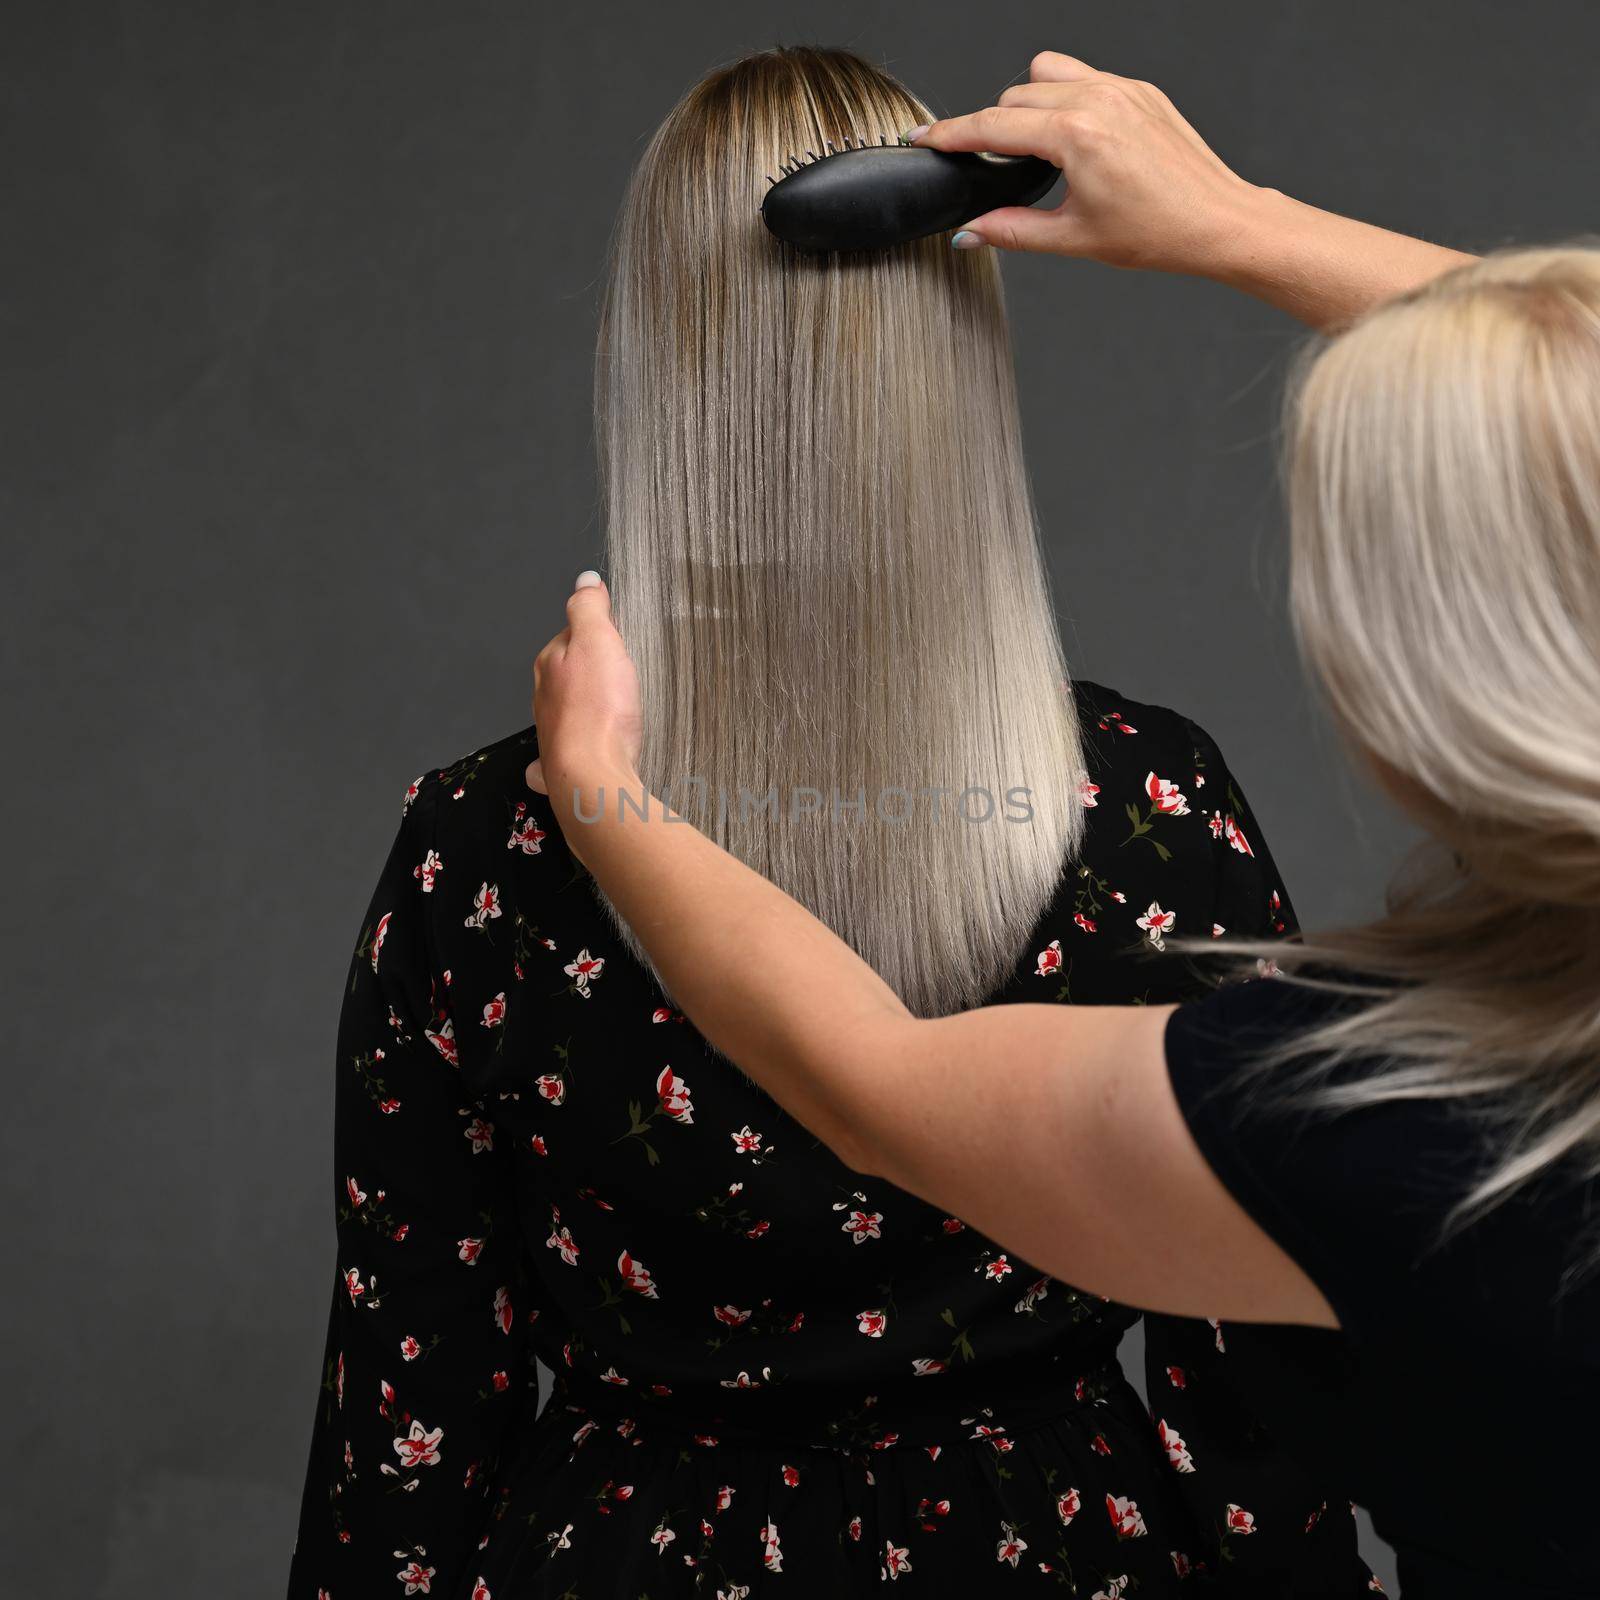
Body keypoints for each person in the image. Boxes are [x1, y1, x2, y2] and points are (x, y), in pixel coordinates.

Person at [285, 47, 1449, 1600]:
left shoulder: (484, 853)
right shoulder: (1147, 809)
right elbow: (1255, 1391)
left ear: (657, 359)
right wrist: (1240, 220)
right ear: (954, 351)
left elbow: (411, 1419)